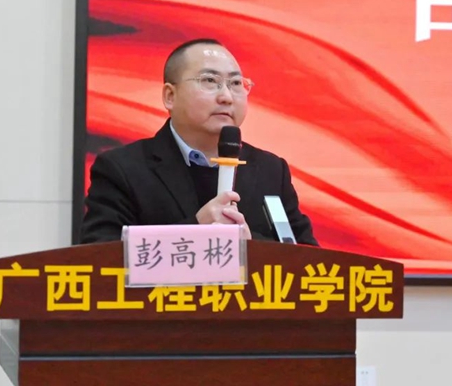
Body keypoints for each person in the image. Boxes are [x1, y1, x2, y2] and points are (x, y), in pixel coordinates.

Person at [80, 38, 318, 246]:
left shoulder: (270, 170)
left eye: (236, 84)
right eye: (210, 81)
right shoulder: (122, 169)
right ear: (170, 96)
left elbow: (309, 261)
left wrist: (251, 246)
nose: (226, 96)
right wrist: (196, 230)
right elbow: (101, 257)